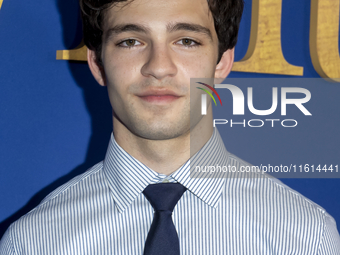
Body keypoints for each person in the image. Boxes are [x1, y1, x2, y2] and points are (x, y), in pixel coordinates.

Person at [1, 0, 340, 254]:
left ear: (222, 62)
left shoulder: (303, 235)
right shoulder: (35, 241)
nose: (159, 67)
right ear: (97, 65)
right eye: (130, 41)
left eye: (187, 41)